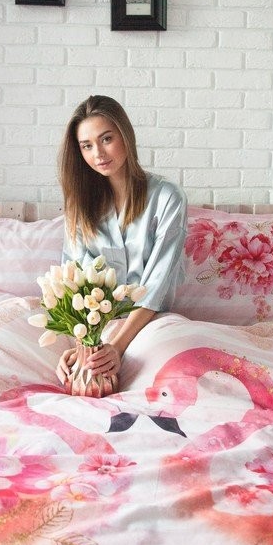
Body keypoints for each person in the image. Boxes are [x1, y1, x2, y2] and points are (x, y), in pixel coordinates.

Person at [55, 95, 188, 385]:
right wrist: (83, 345)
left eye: (106, 139)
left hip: (150, 324)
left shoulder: (167, 198)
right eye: (87, 146)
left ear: (125, 136)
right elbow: (73, 282)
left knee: (170, 375)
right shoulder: (79, 206)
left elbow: (157, 285)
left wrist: (116, 347)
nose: (98, 154)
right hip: (95, 330)